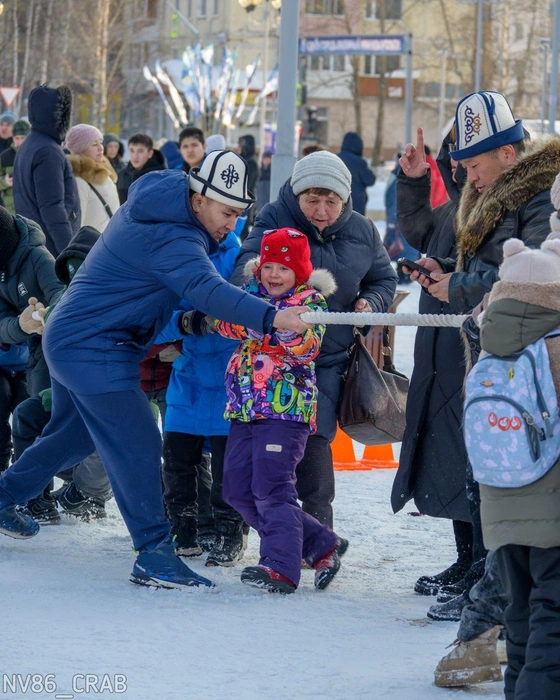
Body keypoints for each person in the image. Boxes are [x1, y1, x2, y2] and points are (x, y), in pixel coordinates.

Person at [0, 150, 313, 590]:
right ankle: (154, 554)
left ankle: (5, 495)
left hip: (76, 337)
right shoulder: (173, 237)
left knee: (73, 435)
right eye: (227, 212)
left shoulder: (161, 202)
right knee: (140, 443)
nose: (231, 224)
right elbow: (206, 289)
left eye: (240, 214)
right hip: (94, 347)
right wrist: (274, 317)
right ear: (199, 198)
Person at [405, 91, 560, 623]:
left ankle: (494, 592)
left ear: (509, 155)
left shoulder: (541, 197)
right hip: (489, 349)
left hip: (530, 360)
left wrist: (460, 287)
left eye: (473, 165)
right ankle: (477, 572)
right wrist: (446, 271)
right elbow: (482, 260)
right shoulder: (493, 190)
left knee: (507, 475)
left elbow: (532, 277)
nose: (467, 177)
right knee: (478, 463)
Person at [231, 150, 398, 527]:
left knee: (316, 436)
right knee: (269, 443)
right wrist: (268, 292)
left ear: (344, 200)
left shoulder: (362, 230)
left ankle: (319, 527)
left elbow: (383, 278)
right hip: (274, 359)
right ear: (297, 195)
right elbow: (245, 270)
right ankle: (259, 526)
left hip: (330, 357)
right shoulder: (274, 218)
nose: (322, 210)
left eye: (331, 202)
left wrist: (370, 301)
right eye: (312, 200)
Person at [217, 227, 347, 594]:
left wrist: (277, 326)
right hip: (244, 409)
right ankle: (321, 543)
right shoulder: (249, 295)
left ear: (300, 273)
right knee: (238, 490)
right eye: (269, 265)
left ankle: (281, 566)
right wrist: (270, 321)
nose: (274, 275)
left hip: (285, 413)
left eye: (284, 269)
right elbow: (225, 323)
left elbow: (305, 347)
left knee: (272, 489)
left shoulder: (311, 303)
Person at [391, 126, 474, 602]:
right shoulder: (452, 210)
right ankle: (467, 559)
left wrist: (454, 281)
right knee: (445, 452)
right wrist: (415, 180)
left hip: (473, 348)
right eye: (453, 157)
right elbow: (419, 228)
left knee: (473, 455)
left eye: (466, 157)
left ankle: (484, 567)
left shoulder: (498, 210)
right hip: (438, 347)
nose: (459, 165)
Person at [157, 229, 244, 564]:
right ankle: (182, 530)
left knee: (228, 471)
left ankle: (230, 533)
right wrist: (187, 322)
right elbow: (156, 323)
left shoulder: (243, 260)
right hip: (188, 379)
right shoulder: (178, 256)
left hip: (232, 382)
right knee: (177, 462)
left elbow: (260, 317)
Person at [12, 85, 80, 256]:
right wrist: (70, 254)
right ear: (56, 116)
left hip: (33, 244)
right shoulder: (48, 151)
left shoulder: (28, 145)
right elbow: (52, 208)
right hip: (51, 250)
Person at [66, 124, 120, 233]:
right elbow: (77, 225)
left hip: (109, 243)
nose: (101, 148)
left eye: (101, 142)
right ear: (80, 149)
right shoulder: (79, 181)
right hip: (93, 247)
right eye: (94, 144)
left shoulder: (104, 173)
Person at [117, 133, 166, 204]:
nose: (135, 156)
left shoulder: (161, 177)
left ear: (150, 153)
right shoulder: (122, 175)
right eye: (132, 150)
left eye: (140, 151)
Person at [337, 131, 376, 216]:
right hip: (356, 205)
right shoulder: (359, 162)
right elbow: (370, 180)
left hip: (337, 203)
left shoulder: (335, 158)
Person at [0, 119, 30, 215]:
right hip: (10, 210)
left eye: (23, 138)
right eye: (17, 138)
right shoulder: (4, 156)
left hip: (31, 208)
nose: (20, 142)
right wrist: (5, 181)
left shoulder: (35, 155)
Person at [237, 135, 259, 241]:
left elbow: (248, 184)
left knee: (243, 227)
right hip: (243, 198)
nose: (238, 147)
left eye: (240, 144)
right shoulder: (247, 160)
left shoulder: (250, 163)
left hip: (244, 199)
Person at [255, 150, 272, 216]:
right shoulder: (259, 171)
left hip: (268, 200)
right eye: (265, 158)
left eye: (268, 159)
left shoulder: (272, 172)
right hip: (259, 200)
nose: (266, 160)